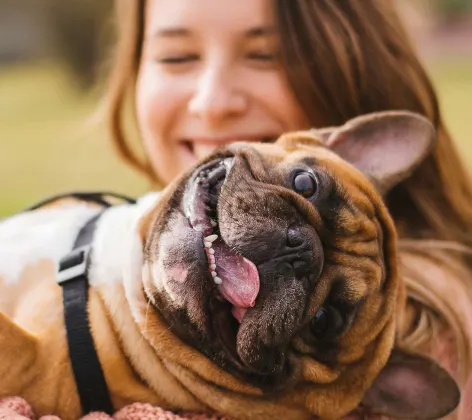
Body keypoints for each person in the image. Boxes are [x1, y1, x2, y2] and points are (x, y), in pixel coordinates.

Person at [103, 0, 472, 417]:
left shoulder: (425, 330)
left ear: (360, 70)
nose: (212, 102)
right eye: (177, 56)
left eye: (266, 56)